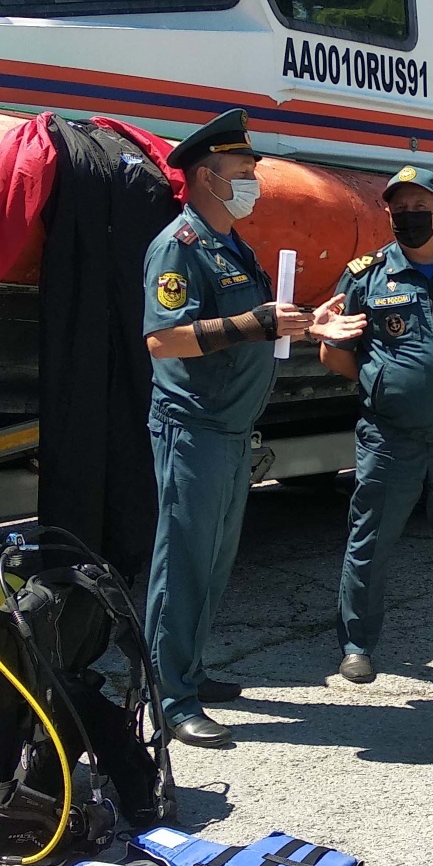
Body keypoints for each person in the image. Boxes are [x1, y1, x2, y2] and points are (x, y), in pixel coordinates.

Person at [142, 109, 363, 747]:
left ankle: (189, 669)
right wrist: (259, 324)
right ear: (207, 179)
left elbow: (261, 326)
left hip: (232, 428)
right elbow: (163, 338)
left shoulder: (232, 244)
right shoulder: (179, 246)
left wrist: (307, 324)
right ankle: (169, 694)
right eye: (243, 173)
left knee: (213, 559)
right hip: (195, 427)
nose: (254, 184)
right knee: (183, 560)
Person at [323, 166, 433, 681]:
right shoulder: (365, 277)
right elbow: (333, 352)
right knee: (371, 541)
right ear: (387, 213)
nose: (409, 218)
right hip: (389, 437)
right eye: (399, 210)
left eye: (420, 209)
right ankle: (357, 645)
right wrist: (386, 381)